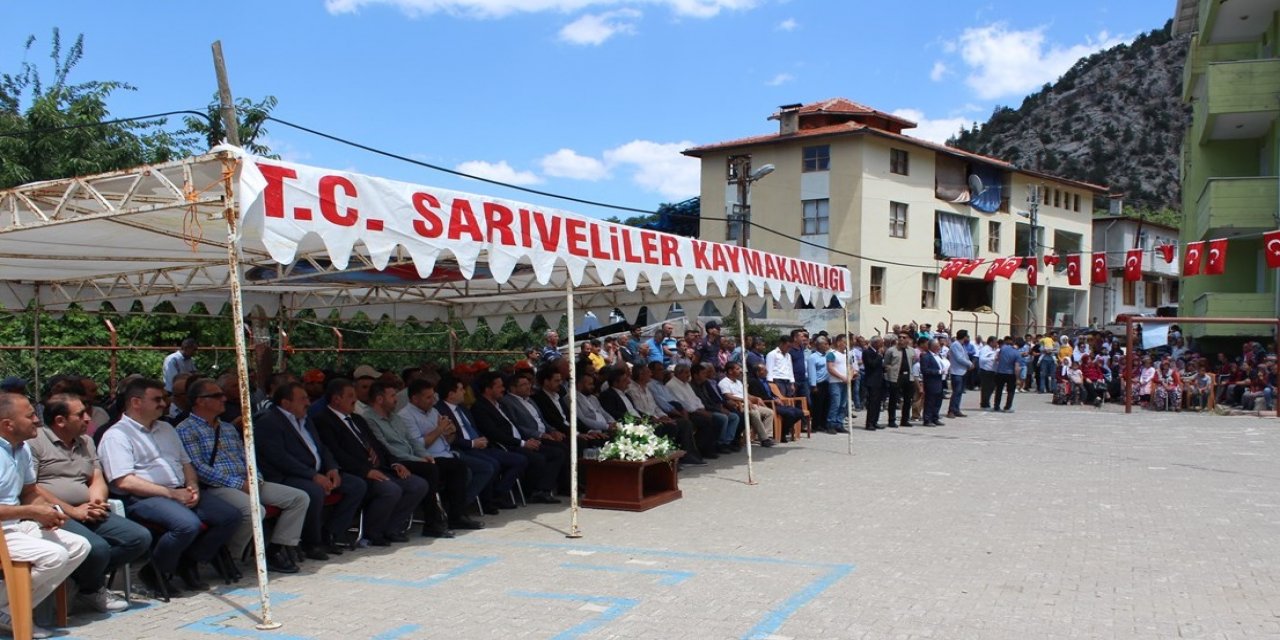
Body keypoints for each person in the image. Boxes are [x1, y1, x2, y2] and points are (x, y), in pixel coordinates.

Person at [98, 378, 242, 595]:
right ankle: (155, 571)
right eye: (157, 399)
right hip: (143, 497)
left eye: (164, 399)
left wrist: (192, 486)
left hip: (179, 490)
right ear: (136, 402)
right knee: (187, 524)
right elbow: (124, 481)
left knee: (230, 516)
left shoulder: (166, 428)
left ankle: (188, 561)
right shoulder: (116, 436)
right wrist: (172, 494)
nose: (164, 404)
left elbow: (185, 463)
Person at [30, 394, 149, 614]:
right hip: (53, 512)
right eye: (81, 414)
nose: (88, 418)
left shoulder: (86, 441)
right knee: (97, 548)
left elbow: (96, 477)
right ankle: (93, 588)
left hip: (87, 509)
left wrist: (97, 502)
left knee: (139, 538)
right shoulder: (34, 442)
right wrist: (73, 511)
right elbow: (33, 488)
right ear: (60, 421)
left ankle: (79, 582)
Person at [176, 379, 308, 573]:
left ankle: (275, 549)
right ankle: (230, 553)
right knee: (255, 510)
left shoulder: (228, 428)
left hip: (246, 482)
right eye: (216, 396)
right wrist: (239, 484)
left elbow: (246, 457)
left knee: (298, 498)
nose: (224, 398)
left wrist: (256, 478)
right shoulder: (185, 429)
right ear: (200, 401)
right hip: (216, 486)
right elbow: (198, 467)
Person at [0, 393, 91, 638]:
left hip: (15, 525)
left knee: (79, 546)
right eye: (30, 416)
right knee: (55, 555)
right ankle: (11, 610)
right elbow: (26, 505)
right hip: (3, 529)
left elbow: (29, 492)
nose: (37, 421)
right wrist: (32, 511)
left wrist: (49, 512)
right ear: (8, 425)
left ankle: (7, 609)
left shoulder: (22, 450)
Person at [254, 382, 366, 560]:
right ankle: (311, 543)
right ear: (286, 403)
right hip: (286, 476)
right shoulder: (269, 422)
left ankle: (330, 533)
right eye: (302, 399)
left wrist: (332, 468)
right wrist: (313, 476)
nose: (308, 402)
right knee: (314, 491)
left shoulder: (305, 419)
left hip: (317, 472)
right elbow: (279, 458)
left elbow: (321, 447)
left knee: (356, 485)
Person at [311, 379, 429, 547]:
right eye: (350, 396)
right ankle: (372, 533)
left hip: (378, 467)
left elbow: (377, 445)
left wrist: (395, 463)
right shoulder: (323, 420)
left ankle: (391, 528)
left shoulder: (357, 419)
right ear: (336, 399)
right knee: (390, 490)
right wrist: (365, 471)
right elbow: (337, 453)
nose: (355, 399)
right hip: (354, 471)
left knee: (418, 485)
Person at [363, 381, 468, 536]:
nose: (396, 399)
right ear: (379, 399)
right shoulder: (369, 419)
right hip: (396, 459)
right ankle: (432, 522)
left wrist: (424, 455)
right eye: (392, 396)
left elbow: (412, 441)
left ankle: (456, 516)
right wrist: (417, 459)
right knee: (430, 470)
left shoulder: (395, 417)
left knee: (456, 465)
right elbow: (384, 447)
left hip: (412, 456)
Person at [398, 379, 488, 529]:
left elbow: (447, 439)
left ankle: (457, 514)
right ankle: (448, 516)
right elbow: (419, 445)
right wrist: (440, 429)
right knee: (457, 467)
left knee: (464, 466)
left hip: (446, 453)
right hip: (425, 457)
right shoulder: (405, 415)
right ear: (414, 399)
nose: (433, 400)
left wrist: (450, 432)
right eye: (428, 397)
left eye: (433, 396)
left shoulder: (433, 411)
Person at [436, 376, 527, 513]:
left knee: (518, 459)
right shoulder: (440, 411)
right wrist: (472, 443)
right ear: (451, 394)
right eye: (461, 390)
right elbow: (449, 438)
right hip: (461, 449)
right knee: (490, 465)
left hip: (479, 445)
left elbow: (473, 428)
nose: (465, 393)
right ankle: (466, 504)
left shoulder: (463, 409)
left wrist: (481, 440)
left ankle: (496, 495)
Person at [469, 373, 564, 505]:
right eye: (499, 386)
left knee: (557, 452)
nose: (503, 389)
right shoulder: (480, 408)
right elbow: (494, 433)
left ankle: (542, 490)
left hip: (521, 440)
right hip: (506, 445)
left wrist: (528, 439)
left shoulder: (500, 404)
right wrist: (522, 443)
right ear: (487, 389)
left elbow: (514, 425)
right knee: (537, 458)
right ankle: (520, 492)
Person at [717, 361, 776, 447]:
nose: (740, 370)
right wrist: (744, 400)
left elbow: (746, 394)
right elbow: (727, 396)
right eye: (737, 369)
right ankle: (764, 439)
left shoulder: (738, 382)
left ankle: (768, 436)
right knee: (754, 413)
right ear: (730, 371)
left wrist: (756, 398)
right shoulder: (724, 382)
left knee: (769, 412)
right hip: (737, 405)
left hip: (748, 404)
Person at [883, 334, 916, 427]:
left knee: (908, 400)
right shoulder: (891, 350)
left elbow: (913, 361)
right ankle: (891, 420)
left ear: (908, 340)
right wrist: (890, 370)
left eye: (904, 337)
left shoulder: (911, 350)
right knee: (893, 399)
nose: (901, 339)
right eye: (900, 337)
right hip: (896, 376)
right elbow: (886, 363)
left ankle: (905, 420)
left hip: (908, 376)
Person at [824, 334, 852, 433]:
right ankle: (830, 423)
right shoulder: (832, 354)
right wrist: (841, 377)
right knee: (835, 403)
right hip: (835, 382)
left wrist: (850, 376)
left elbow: (850, 367)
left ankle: (839, 423)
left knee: (843, 404)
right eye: (845, 342)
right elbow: (830, 368)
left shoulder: (847, 354)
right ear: (839, 342)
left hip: (845, 382)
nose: (846, 345)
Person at [946, 330, 974, 419]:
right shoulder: (955, 345)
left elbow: (965, 356)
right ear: (964, 336)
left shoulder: (962, 345)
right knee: (956, 392)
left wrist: (969, 363)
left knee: (960, 392)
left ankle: (956, 409)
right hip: (956, 371)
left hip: (963, 371)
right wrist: (969, 364)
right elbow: (959, 358)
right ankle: (951, 410)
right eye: (967, 336)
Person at [919, 339, 946, 426]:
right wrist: (938, 372)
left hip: (940, 381)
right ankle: (927, 419)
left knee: (938, 401)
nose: (939, 347)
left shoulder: (939, 356)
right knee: (930, 401)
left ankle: (935, 417)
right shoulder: (926, 356)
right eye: (938, 345)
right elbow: (925, 370)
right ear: (933, 346)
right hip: (931, 382)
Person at [861, 337, 885, 430]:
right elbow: (872, 364)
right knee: (872, 403)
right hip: (872, 381)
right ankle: (869, 423)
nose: (882, 345)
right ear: (875, 343)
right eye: (880, 343)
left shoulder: (876, 352)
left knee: (878, 403)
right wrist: (879, 356)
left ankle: (875, 421)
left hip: (879, 380)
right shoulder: (867, 352)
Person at [992, 337, 1020, 413]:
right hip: (1011, 374)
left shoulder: (1003, 349)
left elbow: (997, 358)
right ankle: (1007, 407)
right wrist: (1017, 378)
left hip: (1000, 372)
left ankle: (996, 406)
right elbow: (1017, 367)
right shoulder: (1017, 353)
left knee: (999, 390)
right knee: (1010, 391)